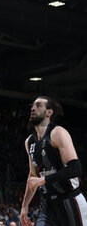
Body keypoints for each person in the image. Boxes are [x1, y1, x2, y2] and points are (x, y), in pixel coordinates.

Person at [20, 96, 87, 226]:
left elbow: (76, 168)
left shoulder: (58, 133)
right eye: (32, 106)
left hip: (70, 199)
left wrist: (44, 180)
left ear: (49, 112)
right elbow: (33, 176)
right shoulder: (29, 142)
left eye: (38, 105)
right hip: (47, 205)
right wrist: (25, 206)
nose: (33, 108)